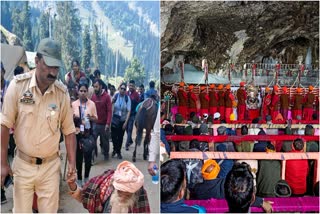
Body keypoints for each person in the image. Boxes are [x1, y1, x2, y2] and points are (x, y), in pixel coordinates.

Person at [1, 38, 77, 212]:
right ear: (36, 61)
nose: (53, 72)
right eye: (49, 65)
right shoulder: (18, 87)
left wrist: (72, 163)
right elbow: (4, 125)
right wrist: (2, 163)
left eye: (56, 67)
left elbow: (69, 131)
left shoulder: (61, 94)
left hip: (50, 167)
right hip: (23, 164)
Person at [67, 160, 150, 213]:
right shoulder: (102, 186)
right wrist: (73, 186)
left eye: (128, 195)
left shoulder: (139, 194)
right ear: (114, 187)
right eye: (120, 193)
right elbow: (83, 197)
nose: (123, 197)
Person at [191, 161, 273, 213]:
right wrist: (261, 202)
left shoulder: (197, 189)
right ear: (252, 198)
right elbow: (240, 196)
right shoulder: (223, 184)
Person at [72, 83, 98, 186]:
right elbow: (69, 119)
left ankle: (86, 178)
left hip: (88, 134)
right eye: (81, 91)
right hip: (77, 134)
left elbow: (96, 118)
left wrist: (89, 117)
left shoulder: (92, 104)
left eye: (84, 91)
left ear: (87, 92)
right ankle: (79, 178)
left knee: (88, 158)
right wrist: (74, 118)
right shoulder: (74, 104)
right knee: (78, 158)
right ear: (78, 92)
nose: (83, 93)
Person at [91, 79, 112, 160]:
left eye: (96, 87)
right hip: (95, 124)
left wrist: (108, 123)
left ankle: (106, 154)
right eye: (94, 87)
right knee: (92, 141)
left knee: (105, 141)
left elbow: (109, 111)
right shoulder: (93, 97)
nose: (95, 88)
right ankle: (92, 156)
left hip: (104, 124)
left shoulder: (107, 97)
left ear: (101, 86)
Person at [111, 83, 131, 159]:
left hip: (122, 120)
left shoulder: (127, 98)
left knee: (120, 137)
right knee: (113, 136)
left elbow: (129, 111)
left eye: (124, 89)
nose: (122, 90)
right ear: (119, 89)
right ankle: (114, 149)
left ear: (126, 90)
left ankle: (118, 151)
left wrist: (126, 122)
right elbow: (111, 106)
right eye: (121, 88)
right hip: (114, 120)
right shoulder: (115, 96)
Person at [125, 80, 140, 150]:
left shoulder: (136, 95)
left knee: (130, 128)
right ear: (128, 86)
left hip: (132, 114)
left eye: (132, 86)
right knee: (126, 128)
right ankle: (130, 140)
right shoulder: (126, 93)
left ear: (134, 86)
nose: (131, 87)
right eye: (130, 85)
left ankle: (127, 144)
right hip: (126, 114)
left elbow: (138, 105)